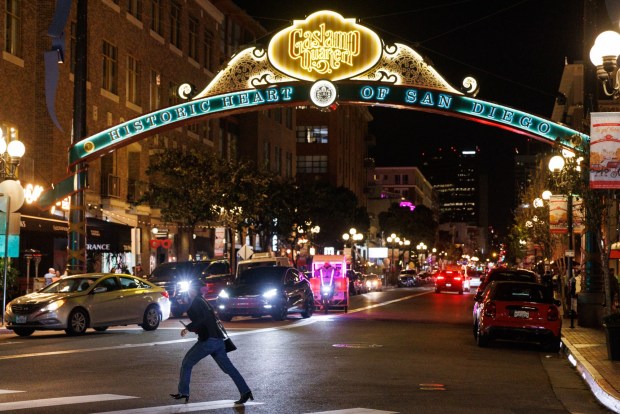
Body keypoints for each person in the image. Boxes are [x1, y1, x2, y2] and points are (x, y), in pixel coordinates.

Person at [171, 284, 253, 405]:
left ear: (193, 290)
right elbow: (206, 319)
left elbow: (202, 319)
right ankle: (245, 391)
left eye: (189, 290)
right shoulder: (203, 301)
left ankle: (184, 392)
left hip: (209, 341)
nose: (188, 292)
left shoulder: (197, 301)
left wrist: (188, 328)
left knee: (187, 362)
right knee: (229, 369)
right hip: (217, 340)